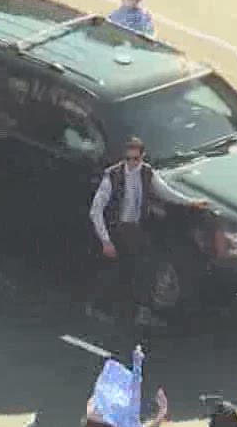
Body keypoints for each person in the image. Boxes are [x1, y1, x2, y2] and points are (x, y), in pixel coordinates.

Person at [87, 135, 209, 324]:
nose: (131, 163)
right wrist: (105, 240)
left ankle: (139, 311)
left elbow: (165, 192)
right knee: (120, 268)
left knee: (143, 265)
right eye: (128, 159)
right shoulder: (112, 176)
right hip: (116, 227)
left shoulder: (147, 173)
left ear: (142, 157)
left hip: (135, 227)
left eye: (135, 159)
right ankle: (100, 306)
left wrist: (190, 202)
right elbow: (96, 210)